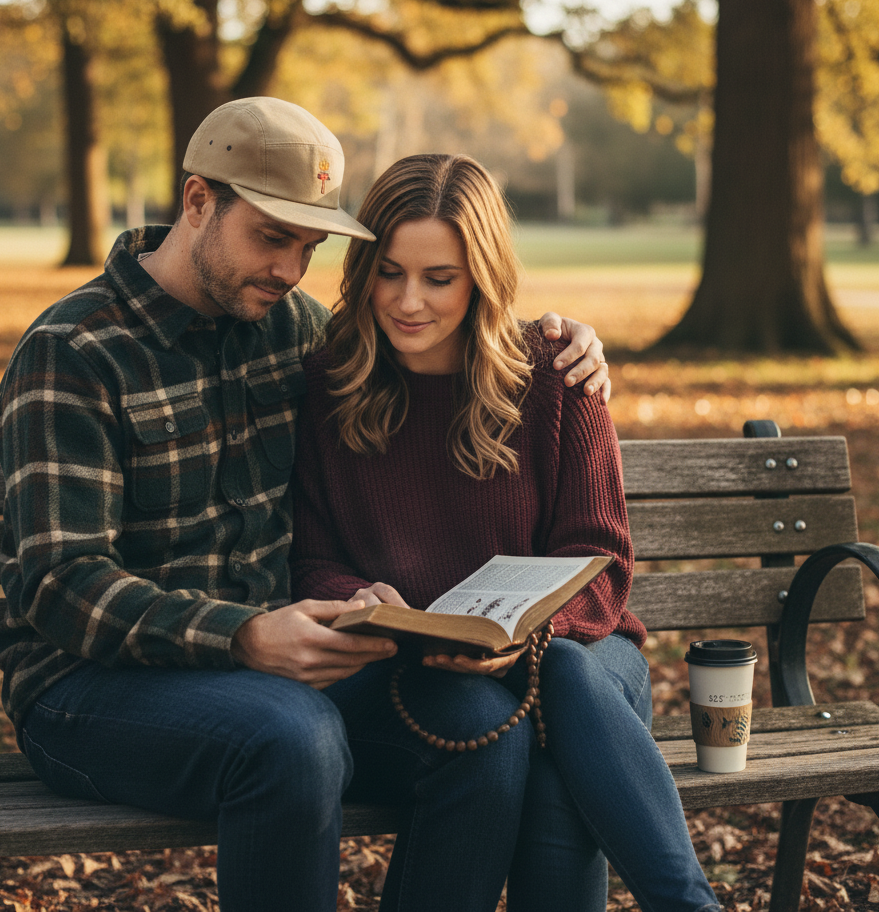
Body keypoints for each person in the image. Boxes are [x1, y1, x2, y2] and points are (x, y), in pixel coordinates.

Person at [0, 97, 612, 912]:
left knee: (481, 734)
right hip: (90, 688)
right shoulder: (74, 354)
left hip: (287, 667)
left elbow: (437, 337)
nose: (289, 269)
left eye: (309, 247)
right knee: (291, 740)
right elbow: (60, 582)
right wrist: (244, 635)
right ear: (198, 201)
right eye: (271, 237)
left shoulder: (295, 332)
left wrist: (561, 345)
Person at [290, 153, 723, 912]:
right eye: (389, 272)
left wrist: (530, 633)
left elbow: (603, 561)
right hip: (418, 672)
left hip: (585, 659)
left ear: (482, 274)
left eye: (440, 277)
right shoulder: (331, 383)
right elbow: (314, 553)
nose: (408, 302)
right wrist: (354, 595)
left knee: (555, 677)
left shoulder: (556, 375)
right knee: (533, 756)